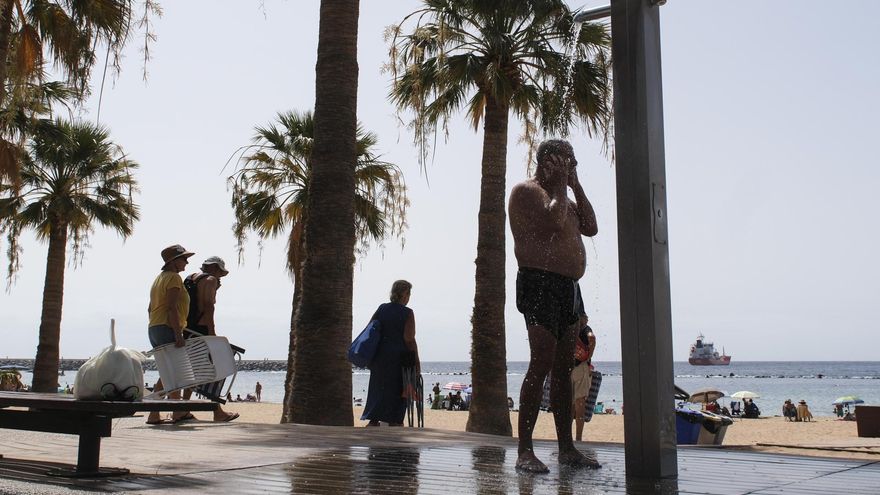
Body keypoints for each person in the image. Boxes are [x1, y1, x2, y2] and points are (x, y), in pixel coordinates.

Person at [509, 139, 599, 473]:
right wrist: (562, 185)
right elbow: (554, 220)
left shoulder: (566, 195)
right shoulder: (527, 192)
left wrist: (575, 185)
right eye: (566, 162)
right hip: (538, 282)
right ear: (548, 162)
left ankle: (566, 449)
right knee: (541, 362)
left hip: (568, 288)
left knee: (563, 368)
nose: (571, 167)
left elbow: (591, 227)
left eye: (573, 163)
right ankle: (524, 450)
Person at [179, 257, 240, 423]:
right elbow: (208, 306)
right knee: (216, 369)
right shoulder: (210, 280)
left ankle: (184, 407)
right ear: (213, 268)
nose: (220, 276)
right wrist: (212, 332)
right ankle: (217, 412)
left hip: (188, 329)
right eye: (220, 271)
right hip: (202, 329)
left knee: (193, 369)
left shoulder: (191, 278)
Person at [145, 244, 195, 425]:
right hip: (167, 327)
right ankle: (177, 412)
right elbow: (171, 307)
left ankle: (155, 413)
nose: (187, 262)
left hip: (155, 326)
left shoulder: (159, 279)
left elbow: (150, 308)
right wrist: (177, 333)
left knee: (168, 372)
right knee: (177, 371)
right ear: (174, 261)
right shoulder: (174, 278)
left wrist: (158, 325)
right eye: (184, 259)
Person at [361, 280, 420, 426]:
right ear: (404, 294)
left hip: (380, 358)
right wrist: (416, 361)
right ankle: (395, 423)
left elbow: (371, 328)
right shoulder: (407, 313)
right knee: (398, 393)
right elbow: (409, 339)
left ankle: (373, 421)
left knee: (378, 389)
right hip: (399, 359)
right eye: (409, 294)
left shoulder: (382, 308)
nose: (409, 297)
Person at [571, 309, 596, 442]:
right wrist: (588, 356)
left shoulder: (570, 326)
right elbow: (591, 337)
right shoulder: (585, 329)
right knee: (580, 403)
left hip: (567, 367)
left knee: (569, 404)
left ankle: (567, 437)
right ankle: (578, 438)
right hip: (581, 367)